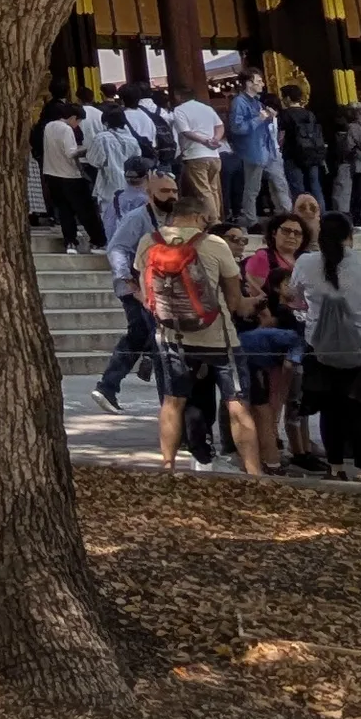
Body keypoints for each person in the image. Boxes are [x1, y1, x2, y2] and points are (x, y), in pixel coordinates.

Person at [139, 170, 260, 481]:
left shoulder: (147, 243)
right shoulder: (215, 244)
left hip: (171, 336)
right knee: (237, 405)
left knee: (172, 402)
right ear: (197, 216)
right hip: (219, 338)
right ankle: (255, 473)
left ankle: (168, 468)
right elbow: (234, 302)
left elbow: (145, 292)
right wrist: (253, 304)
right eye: (206, 220)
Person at [290, 210, 361, 479]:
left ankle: (336, 468)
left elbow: (295, 296)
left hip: (321, 350)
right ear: (350, 235)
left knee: (330, 411)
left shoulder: (305, 263)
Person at [234, 210, 310, 471]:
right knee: (272, 395)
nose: (292, 236)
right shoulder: (262, 258)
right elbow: (254, 290)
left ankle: (299, 446)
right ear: (274, 233)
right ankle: (270, 446)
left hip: (298, 330)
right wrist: (268, 317)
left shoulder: (304, 260)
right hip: (270, 335)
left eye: (297, 232)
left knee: (295, 394)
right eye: (286, 230)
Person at [92, 162, 158, 410]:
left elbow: (109, 232)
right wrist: (128, 281)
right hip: (135, 282)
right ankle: (108, 386)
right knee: (139, 331)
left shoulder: (116, 200)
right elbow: (117, 246)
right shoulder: (139, 213)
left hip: (145, 283)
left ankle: (147, 357)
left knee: (145, 331)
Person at [229, 67, 292, 230]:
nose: (262, 84)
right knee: (253, 188)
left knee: (280, 184)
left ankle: (285, 215)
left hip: (268, 149)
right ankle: (251, 221)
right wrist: (259, 118)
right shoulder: (239, 102)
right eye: (258, 81)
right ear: (249, 83)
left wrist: (269, 118)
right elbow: (237, 128)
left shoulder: (257, 102)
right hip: (253, 151)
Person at [40, 100, 97, 252]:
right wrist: (85, 149)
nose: (77, 125)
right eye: (78, 121)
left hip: (51, 173)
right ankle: (97, 239)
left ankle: (70, 241)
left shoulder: (49, 126)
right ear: (73, 117)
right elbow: (70, 152)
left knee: (64, 210)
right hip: (70, 175)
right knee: (84, 209)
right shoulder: (66, 129)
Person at [169, 84, 227, 232]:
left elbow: (186, 132)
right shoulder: (206, 108)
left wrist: (204, 141)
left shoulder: (180, 110)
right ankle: (217, 216)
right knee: (213, 189)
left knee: (203, 191)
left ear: (178, 96)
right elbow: (220, 126)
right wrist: (215, 139)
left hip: (196, 154)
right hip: (214, 154)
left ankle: (214, 221)